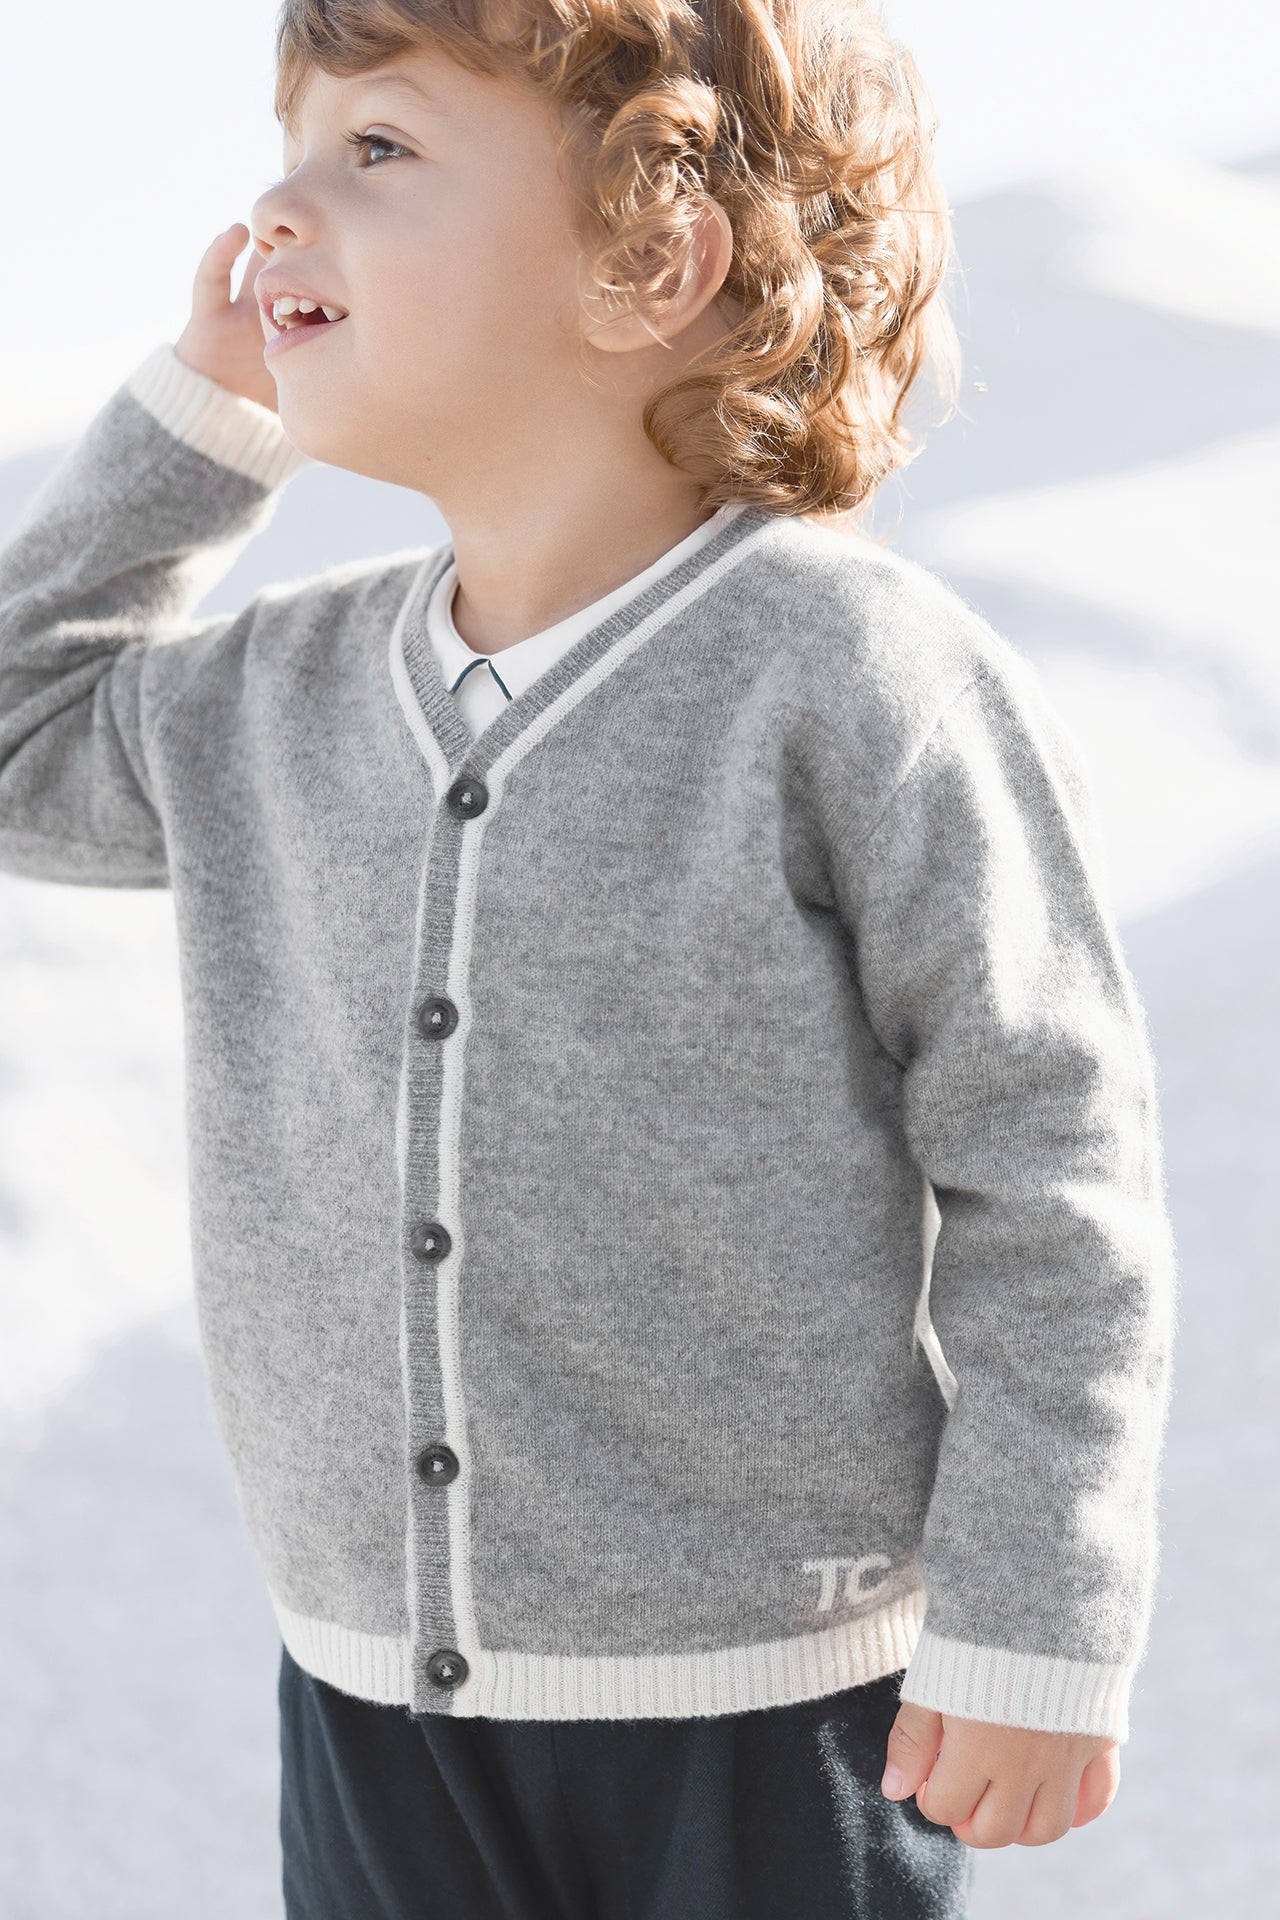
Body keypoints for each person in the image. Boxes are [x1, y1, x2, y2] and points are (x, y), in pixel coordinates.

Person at [0, 1, 1178, 1914]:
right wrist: (207, 413)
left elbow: (1051, 1172)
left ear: (648, 261)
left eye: (376, 150)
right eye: (287, 152)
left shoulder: (858, 679)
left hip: (777, 1714)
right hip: (373, 1703)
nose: (276, 210)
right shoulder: (273, 698)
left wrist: (1038, 1613)